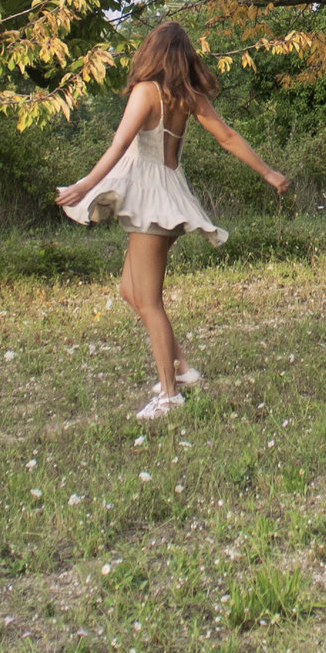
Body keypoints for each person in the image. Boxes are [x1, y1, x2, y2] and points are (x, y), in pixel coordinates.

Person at [58, 23, 291, 419]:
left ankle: (169, 396)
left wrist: (85, 184)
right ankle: (182, 371)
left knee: (148, 301)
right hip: (169, 196)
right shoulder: (189, 97)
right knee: (130, 291)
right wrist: (268, 173)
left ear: (151, 52)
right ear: (184, 57)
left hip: (151, 202)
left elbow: (118, 145)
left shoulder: (146, 92)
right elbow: (228, 137)